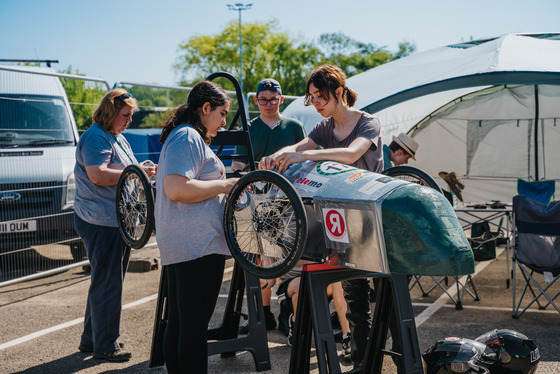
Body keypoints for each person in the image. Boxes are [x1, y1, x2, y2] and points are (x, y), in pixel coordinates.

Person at [259, 63, 383, 369]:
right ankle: (361, 358)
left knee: (386, 294)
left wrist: (305, 155)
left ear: (338, 92)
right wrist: (279, 155)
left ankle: (386, 354)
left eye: (320, 97)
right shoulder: (324, 128)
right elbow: (299, 145)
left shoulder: (367, 123)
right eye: (311, 98)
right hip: (343, 216)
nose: (315, 104)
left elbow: (352, 154)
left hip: (374, 216)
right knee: (354, 296)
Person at [154, 81, 239, 374]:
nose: (224, 121)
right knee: (192, 327)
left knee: (180, 323)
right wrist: (227, 184)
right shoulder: (188, 137)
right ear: (205, 108)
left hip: (187, 244)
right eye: (222, 113)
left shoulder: (183, 136)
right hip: (196, 247)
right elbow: (177, 188)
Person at [74, 89, 156, 362]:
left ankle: (91, 340)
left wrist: (139, 167)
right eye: (126, 115)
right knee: (108, 284)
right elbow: (97, 174)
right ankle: (106, 346)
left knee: (104, 281)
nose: (130, 120)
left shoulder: (114, 136)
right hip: (101, 220)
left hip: (112, 219)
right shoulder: (96, 136)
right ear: (111, 112)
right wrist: (136, 172)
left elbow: (123, 168)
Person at [231, 78, 306, 332]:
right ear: (256, 101)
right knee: (261, 257)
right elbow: (238, 167)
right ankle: (263, 315)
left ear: (281, 100)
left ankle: (289, 311)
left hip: (288, 202)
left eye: (273, 99)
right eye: (263, 99)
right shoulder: (249, 128)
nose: (268, 104)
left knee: (291, 256)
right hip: (257, 203)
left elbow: (304, 164)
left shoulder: (294, 127)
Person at [276, 260, 351, 356]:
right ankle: (296, 324)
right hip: (291, 282)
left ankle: (347, 337)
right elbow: (269, 278)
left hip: (318, 277)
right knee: (303, 284)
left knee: (338, 282)